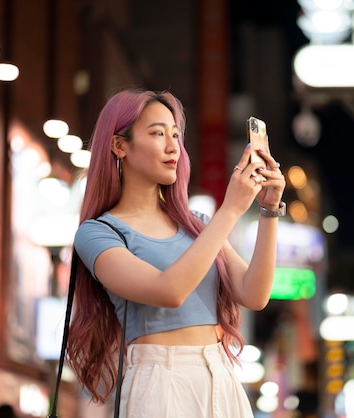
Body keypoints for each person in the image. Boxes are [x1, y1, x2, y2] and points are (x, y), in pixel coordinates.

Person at [67, 89, 286, 417]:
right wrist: (230, 210)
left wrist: (269, 211)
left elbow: (254, 294)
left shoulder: (195, 223)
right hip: (160, 379)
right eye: (157, 133)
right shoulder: (98, 233)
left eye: (176, 135)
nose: (173, 146)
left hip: (220, 374)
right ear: (119, 145)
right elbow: (168, 291)